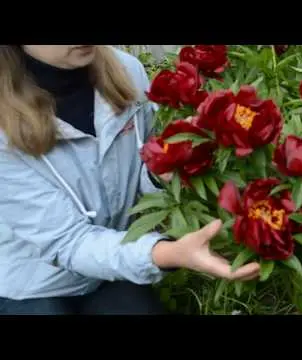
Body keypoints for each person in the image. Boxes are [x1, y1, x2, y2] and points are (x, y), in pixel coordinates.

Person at [0, 45, 260, 315]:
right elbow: (69, 242)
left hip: (111, 267)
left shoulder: (126, 72)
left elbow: (141, 178)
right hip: (31, 284)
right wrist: (168, 254)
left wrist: (162, 170)